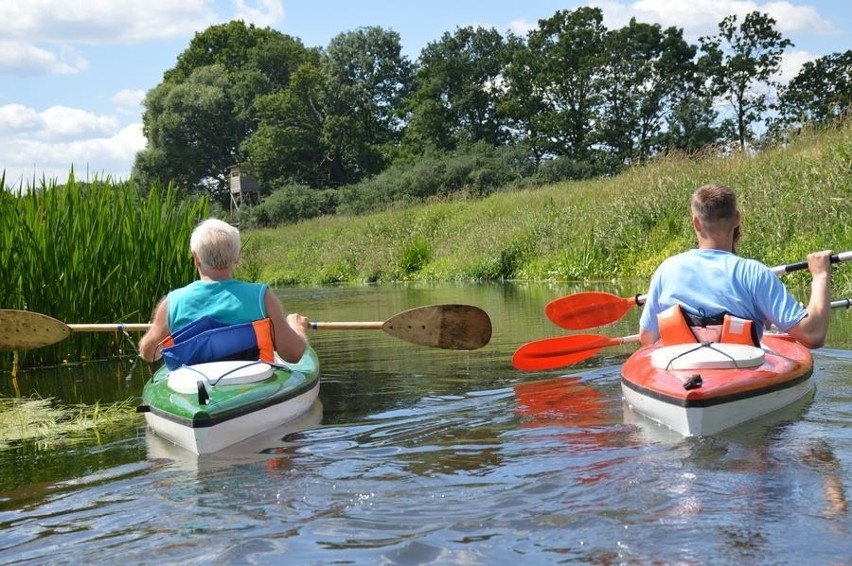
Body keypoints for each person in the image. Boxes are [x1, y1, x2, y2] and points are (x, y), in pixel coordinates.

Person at [638, 183, 833, 348]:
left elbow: (648, 338)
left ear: (696, 223)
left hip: (680, 373)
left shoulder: (667, 269)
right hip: (739, 375)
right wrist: (820, 276)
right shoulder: (754, 273)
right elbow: (812, 335)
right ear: (737, 218)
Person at [139, 218, 309, 364]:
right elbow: (292, 355)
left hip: (195, 387)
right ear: (236, 256)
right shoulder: (262, 297)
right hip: (252, 383)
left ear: (196, 258)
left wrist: (158, 327)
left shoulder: (171, 302)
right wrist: (297, 327)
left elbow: (148, 354)